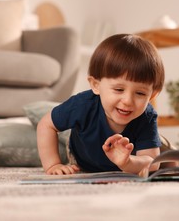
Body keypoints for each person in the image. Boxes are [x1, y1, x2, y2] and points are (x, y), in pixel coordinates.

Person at [37, 33, 165, 176]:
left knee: (166, 158)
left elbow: (153, 163)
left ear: (152, 95)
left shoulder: (146, 116)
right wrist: (53, 165)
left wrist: (127, 162)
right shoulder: (82, 105)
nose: (128, 101)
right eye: (118, 89)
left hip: (132, 158)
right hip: (84, 161)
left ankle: (167, 148)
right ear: (96, 85)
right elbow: (46, 124)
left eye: (140, 93)